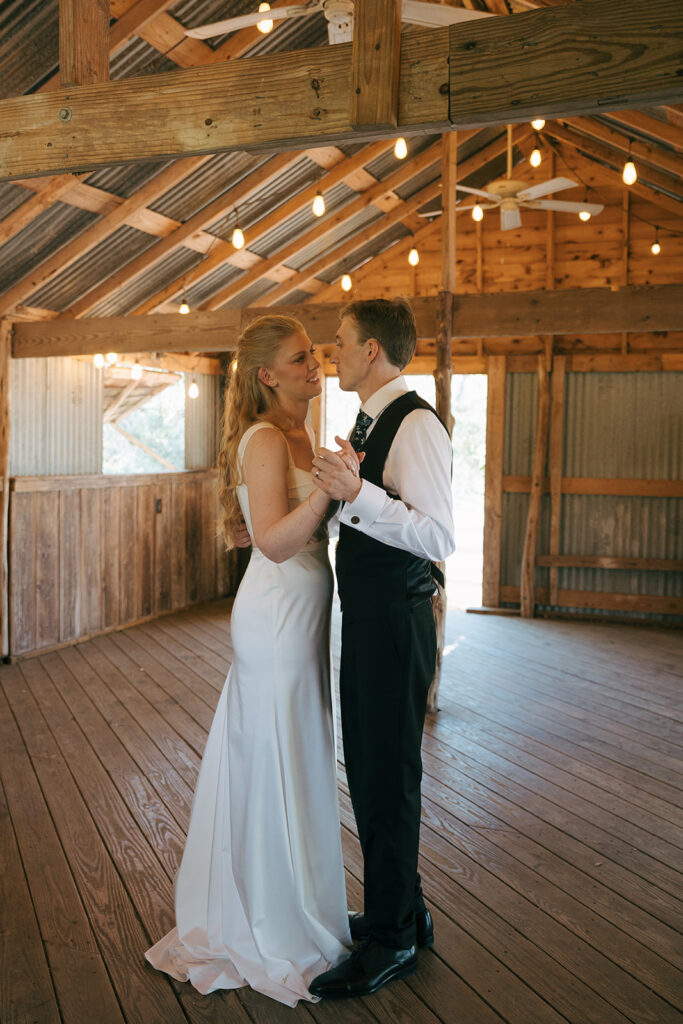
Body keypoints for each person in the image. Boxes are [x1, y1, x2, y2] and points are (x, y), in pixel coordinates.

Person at [145, 315, 353, 1007]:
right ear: (267, 375)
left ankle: (299, 904)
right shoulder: (267, 437)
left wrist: (332, 485)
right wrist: (329, 486)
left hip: (305, 615)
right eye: (299, 359)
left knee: (298, 751)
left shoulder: (301, 433)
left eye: (315, 355)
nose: (314, 366)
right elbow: (270, 543)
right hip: (274, 616)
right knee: (273, 755)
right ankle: (267, 922)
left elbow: (266, 525)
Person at [308, 298, 455, 999]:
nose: (329, 352)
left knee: (386, 773)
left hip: (395, 623)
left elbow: (436, 538)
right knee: (368, 766)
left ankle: (392, 940)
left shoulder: (416, 424)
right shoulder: (370, 420)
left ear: (371, 349)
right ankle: (406, 911)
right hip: (367, 618)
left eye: (338, 342)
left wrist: (357, 491)